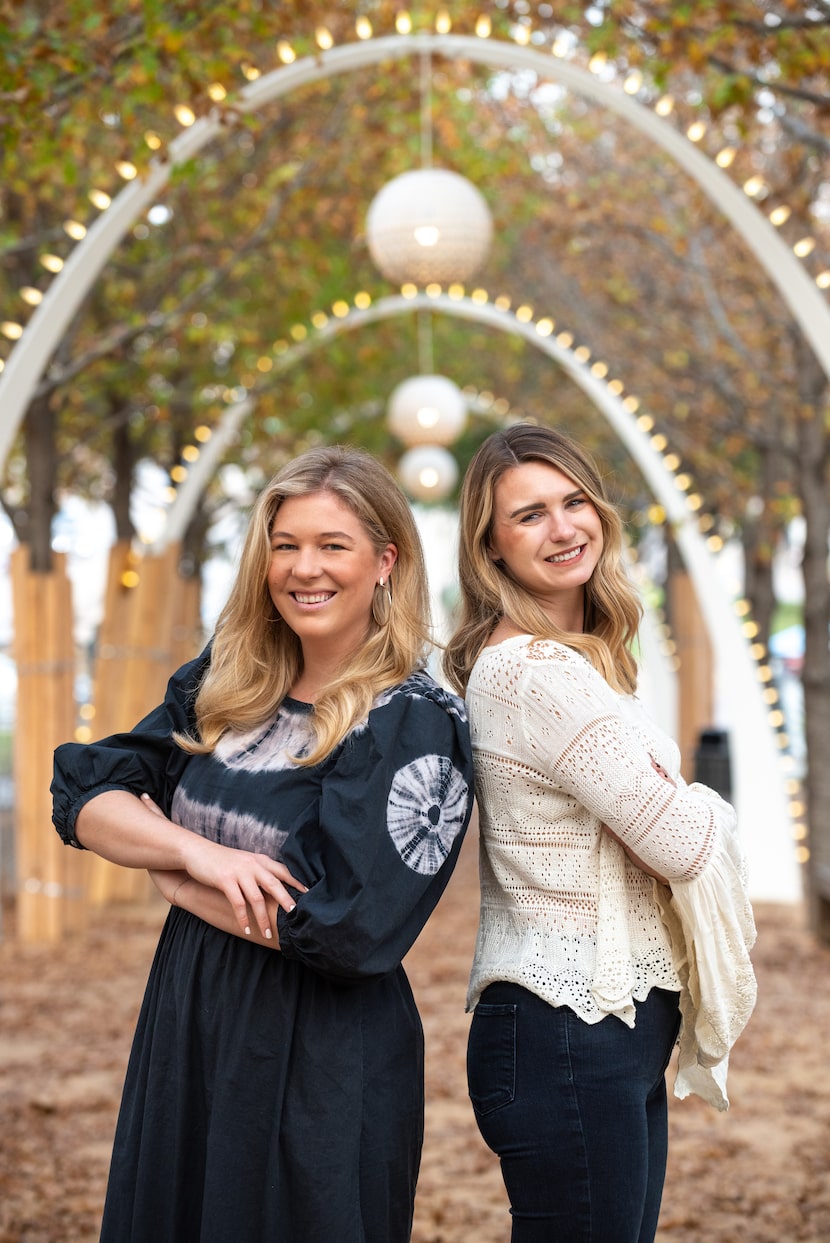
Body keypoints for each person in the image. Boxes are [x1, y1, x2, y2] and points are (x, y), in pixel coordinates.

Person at [52, 445, 474, 1243]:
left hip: (318, 1051)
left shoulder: (411, 720)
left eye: (332, 545)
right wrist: (195, 853)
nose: (303, 568)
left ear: (386, 560)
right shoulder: (229, 680)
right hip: (190, 1021)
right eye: (286, 544)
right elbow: (86, 795)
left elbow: (349, 927)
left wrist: (172, 878)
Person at [443, 423, 755, 1243]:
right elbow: (685, 843)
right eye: (531, 515)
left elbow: (662, 825)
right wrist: (696, 802)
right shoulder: (535, 674)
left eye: (574, 501)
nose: (563, 527)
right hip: (565, 1037)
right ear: (492, 549)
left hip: (605, 1029)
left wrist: (666, 802)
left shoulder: (583, 662)